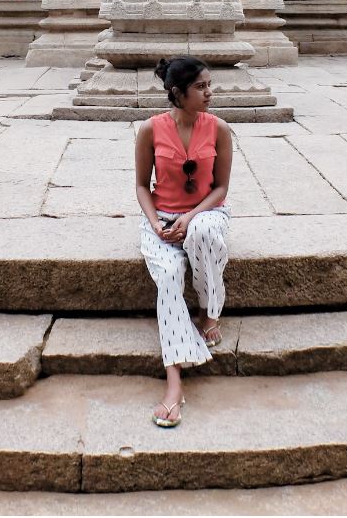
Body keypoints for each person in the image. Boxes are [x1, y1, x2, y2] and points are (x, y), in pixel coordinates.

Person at [134, 55, 233, 428]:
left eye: (210, 84)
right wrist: (156, 222)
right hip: (161, 220)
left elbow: (221, 188)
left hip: (206, 213)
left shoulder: (219, 128)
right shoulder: (150, 130)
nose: (209, 93)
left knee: (204, 232)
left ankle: (209, 314)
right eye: (200, 87)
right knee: (171, 274)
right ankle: (173, 383)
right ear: (177, 93)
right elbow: (143, 186)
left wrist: (190, 218)